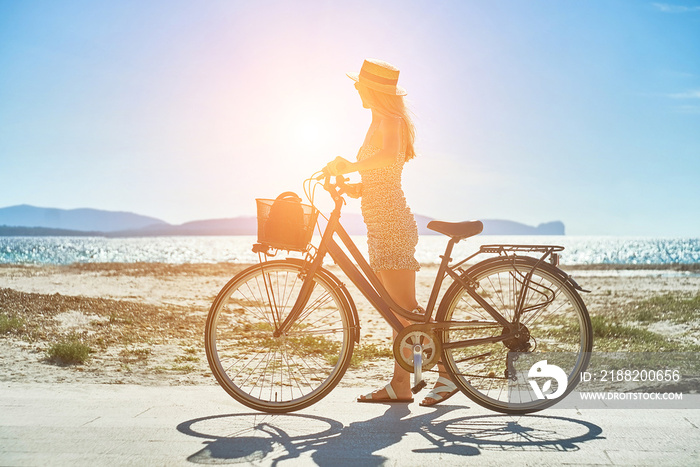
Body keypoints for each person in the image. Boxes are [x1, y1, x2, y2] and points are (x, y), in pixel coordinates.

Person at [324, 59, 458, 406]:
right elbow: (381, 174)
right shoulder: (376, 121)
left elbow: (386, 158)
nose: (356, 88)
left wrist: (351, 165)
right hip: (378, 222)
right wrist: (356, 186)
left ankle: (447, 375)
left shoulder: (392, 120)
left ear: (374, 90)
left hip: (393, 223)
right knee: (397, 313)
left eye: (360, 84)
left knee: (407, 310)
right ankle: (401, 385)